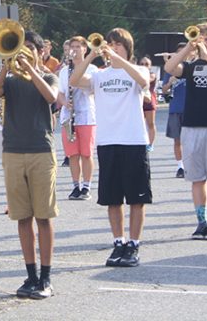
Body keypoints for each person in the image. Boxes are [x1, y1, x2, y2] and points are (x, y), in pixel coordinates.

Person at [0, 30, 59, 299]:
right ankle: (30, 276)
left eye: (30, 48)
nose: (23, 52)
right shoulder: (10, 79)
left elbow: (51, 98)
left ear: (41, 52)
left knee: (44, 216)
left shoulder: (49, 76)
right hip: (13, 151)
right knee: (22, 217)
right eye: (20, 48)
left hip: (41, 150)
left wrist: (31, 68)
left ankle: (46, 277)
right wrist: (5, 67)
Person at [72, 28, 151, 268]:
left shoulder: (138, 70)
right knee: (112, 199)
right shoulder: (99, 75)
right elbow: (75, 80)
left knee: (136, 199)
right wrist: (90, 56)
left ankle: (134, 244)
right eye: (110, 44)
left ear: (127, 48)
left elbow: (144, 81)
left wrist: (120, 61)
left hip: (134, 140)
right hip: (108, 141)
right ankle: (118, 242)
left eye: (118, 44)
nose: (113, 48)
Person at [163, 22, 207, 241]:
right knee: (196, 179)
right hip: (191, 126)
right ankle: (201, 222)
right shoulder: (191, 65)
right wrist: (188, 49)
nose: (204, 41)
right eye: (200, 38)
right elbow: (170, 68)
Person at [56, 36, 96, 200]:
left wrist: (77, 81)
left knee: (86, 154)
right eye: (72, 46)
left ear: (85, 49)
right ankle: (75, 185)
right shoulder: (65, 71)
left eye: (78, 46)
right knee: (73, 154)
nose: (75, 49)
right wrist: (65, 102)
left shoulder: (93, 69)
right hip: (69, 117)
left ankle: (86, 186)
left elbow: (93, 90)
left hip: (86, 115)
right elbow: (59, 93)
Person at [161, 44, 189, 178]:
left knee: (190, 140)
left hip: (190, 108)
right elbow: (164, 90)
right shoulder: (170, 70)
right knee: (177, 140)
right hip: (176, 108)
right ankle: (180, 166)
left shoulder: (191, 68)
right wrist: (170, 82)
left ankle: (190, 164)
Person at [139, 57, 158, 146]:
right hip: (139, 102)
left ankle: (150, 144)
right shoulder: (137, 74)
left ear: (150, 66)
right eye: (142, 64)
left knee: (150, 124)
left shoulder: (152, 74)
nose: (144, 66)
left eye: (146, 64)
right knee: (139, 124)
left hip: (149, 102)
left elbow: (147, 80)